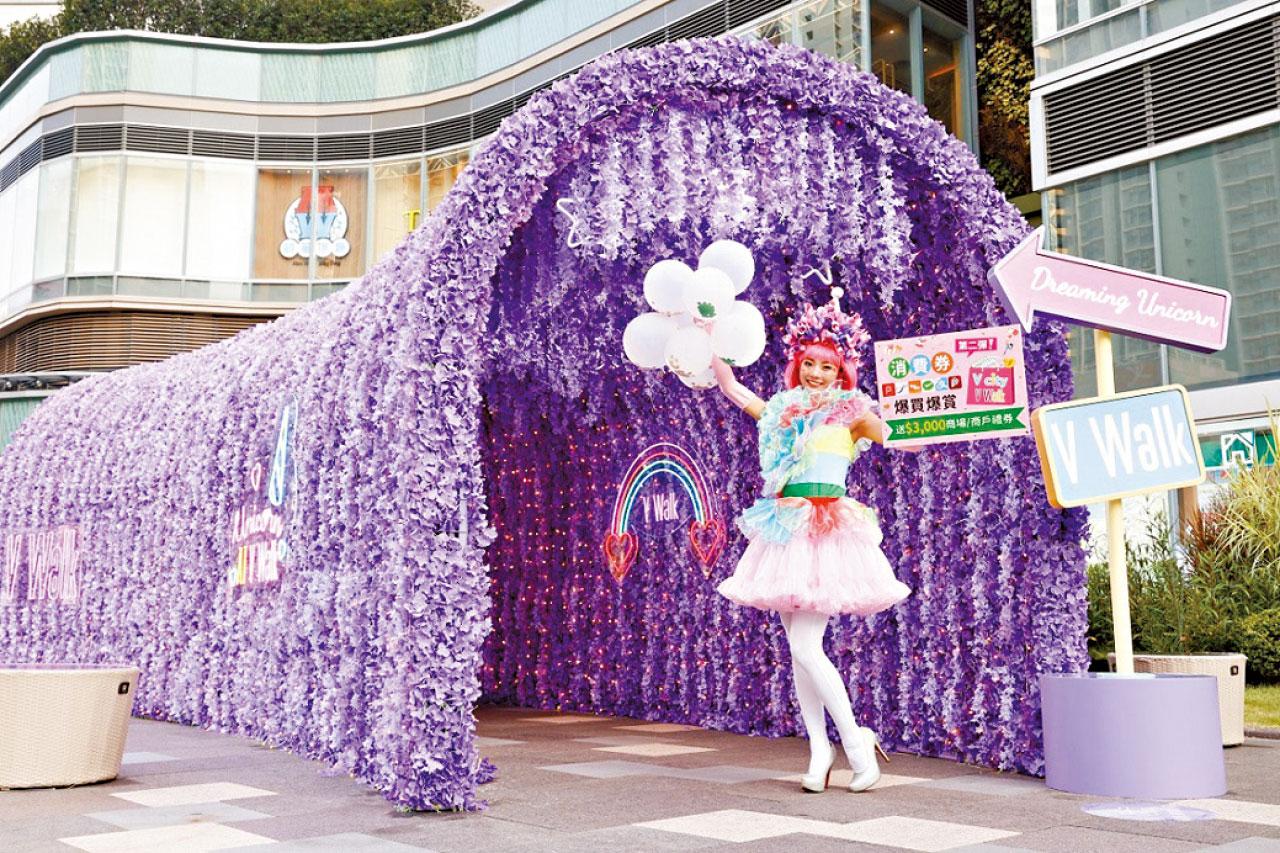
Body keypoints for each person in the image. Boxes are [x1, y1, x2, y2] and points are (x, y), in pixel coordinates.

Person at [711, 298, 913, 794]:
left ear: (842, 370)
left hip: (828, 530)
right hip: (787, 528)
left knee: (805, 644)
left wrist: (956, 417)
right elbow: (733, 388)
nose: (817, 373)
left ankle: (857, 744)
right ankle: (820, 750)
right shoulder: (783, 411)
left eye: (828, 366)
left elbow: (904, 438)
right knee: (799, 649)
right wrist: (708, 337)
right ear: (797, 364)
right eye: (810, 363)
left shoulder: (853, 413)